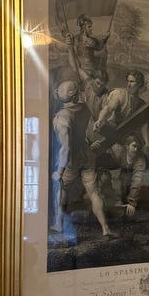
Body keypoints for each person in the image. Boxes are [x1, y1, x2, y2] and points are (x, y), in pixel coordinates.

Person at [51, 80, 113, 237]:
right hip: (87, 155)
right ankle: (105, 227)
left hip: (72, 159)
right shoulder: (84, 108)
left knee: (62, 189)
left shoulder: (61, 118)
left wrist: (59, 171)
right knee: (93, 192)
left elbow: (66, 147)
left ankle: (58, 224)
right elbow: (92, 132)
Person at [93, 70, 149, 156]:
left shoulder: (141, 103)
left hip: (125, 135)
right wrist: (100, 119)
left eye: (132, 82)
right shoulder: (120, 94)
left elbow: (144, 124)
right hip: (110, 132)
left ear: (139, 84)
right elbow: (108, 108)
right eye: (128, 81)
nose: (128, 85)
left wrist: (147, 143)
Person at [114, 134, 147, 216]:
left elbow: (138, 179)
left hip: (143, 184)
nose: (136, 149)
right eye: (134, 146)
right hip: (126, 180)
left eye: (138, 147)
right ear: (126, 146)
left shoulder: (140, 158)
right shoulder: (121, 153)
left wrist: (132, 202)